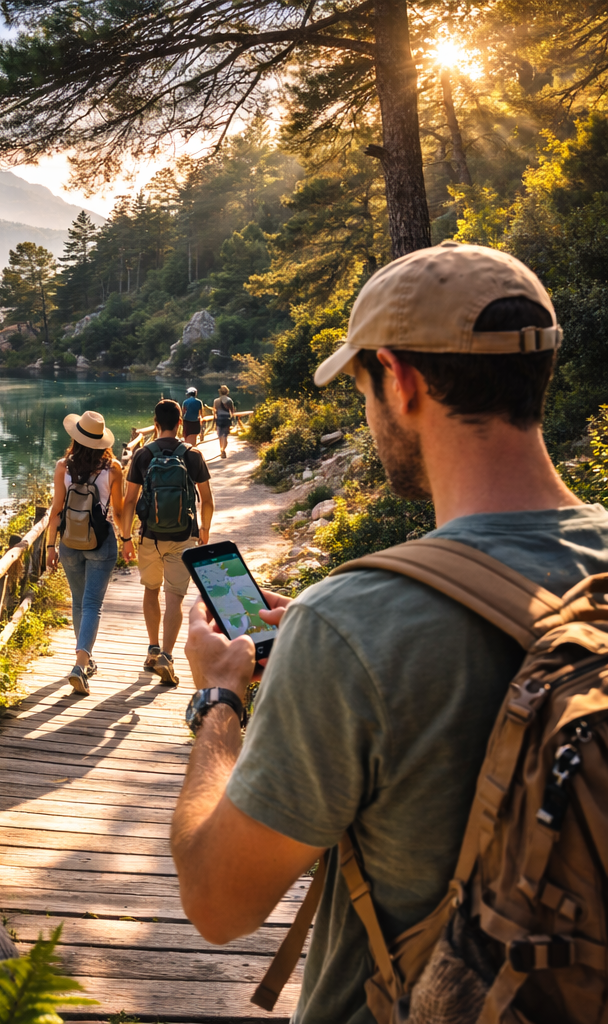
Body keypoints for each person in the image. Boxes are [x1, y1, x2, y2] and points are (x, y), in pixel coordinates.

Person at [171, 242, 600, 1023]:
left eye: (362, 387)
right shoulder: (344, 623)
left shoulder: (349, 627)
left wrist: (218, 699)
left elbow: (216, 902)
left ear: (398, 380)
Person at [121, 399, 213, 686]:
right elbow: (207, 501)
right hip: (184, 536)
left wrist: (126, 537)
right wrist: (205, 530)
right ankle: (168, 656)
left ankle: (152, 648)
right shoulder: (193, 454)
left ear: (155, 423)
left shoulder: (142, 455)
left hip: (150, 536)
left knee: (151, 589)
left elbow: (129, 501)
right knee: (175, 598)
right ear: (181, 424)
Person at [48, 410, 122, 695]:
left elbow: (56, 510)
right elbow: (118, 508)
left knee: (79, 603)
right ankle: (81, 665)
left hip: (68, 542)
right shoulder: (112, 468)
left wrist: (50, 546)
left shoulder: (62, 467)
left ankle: (84, 659)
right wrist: (127, 538)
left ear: (75, 438)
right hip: (101, 542)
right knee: (92, 604)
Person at [212, 385, 236, 458]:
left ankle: (221, 449)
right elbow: (232, 411)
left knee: (220, 436)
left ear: (220, 392)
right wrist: (232, 419)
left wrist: (214, 419)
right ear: (227, 392)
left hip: (219, 419)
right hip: (226, 419)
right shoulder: (229, 400)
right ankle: (223, 449)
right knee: (225, 436)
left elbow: (214, 411)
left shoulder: (216, 401)